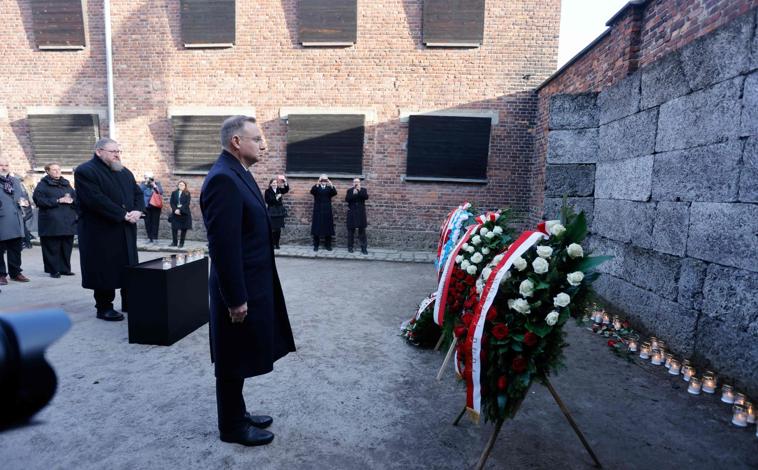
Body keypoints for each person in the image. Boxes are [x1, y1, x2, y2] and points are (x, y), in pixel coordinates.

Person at [200, 115, 296, 447]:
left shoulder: (238, 173)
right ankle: (231, 427)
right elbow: (224, 247)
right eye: (257, 139)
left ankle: (238, 414)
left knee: (238, 353)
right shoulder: (223, 180)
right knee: (231, 357)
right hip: (237, 289)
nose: (264, 144)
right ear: (236, 142)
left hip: (251, 282)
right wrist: (236, 298)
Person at [74, 138, 144, 321]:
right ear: (99, 151)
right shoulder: (86, 171)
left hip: (125, 229)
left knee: (128, 267)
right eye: (113, 151)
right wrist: (123, 214)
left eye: (118, 151)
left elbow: (137, 193)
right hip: (101, 231)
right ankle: (104, 307)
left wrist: (137, 210)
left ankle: (130, 302)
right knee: (104, 268)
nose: (117, 154)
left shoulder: (123, 170)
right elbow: (95, 200)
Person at [32, 163, 77, 278]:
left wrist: (72, 200)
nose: (57, 172)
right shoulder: (42, 185)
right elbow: (39, 200)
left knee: (66, 247)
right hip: (51, 222)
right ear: (47, 171)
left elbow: (74, 196)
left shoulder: (66, 183)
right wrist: (57, 200)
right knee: (52, 247)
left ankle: (65, 269)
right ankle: (54, 270)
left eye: (59, 169)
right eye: (54, 170)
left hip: (67, 221)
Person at [0, 157, 30, 285]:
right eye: (1, 165)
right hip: (1, 219)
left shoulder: (15, 181)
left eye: (6, 164)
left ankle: (15, 272)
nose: (4, 167)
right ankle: (1, 274)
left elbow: (22, 197)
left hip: (16, 220)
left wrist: (25, 203)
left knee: (16, 249)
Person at [309, 174, 337, 251]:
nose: (323, 182)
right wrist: (318, 182)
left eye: (325, 180)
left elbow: (334, 193)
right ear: (320, 181)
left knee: (328, 228)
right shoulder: (317, 187)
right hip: (318, 210)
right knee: (317, 228)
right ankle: (316, 245)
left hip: (327, 210)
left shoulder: (329, 188)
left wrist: (331, 184)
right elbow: (312, 191)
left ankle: (328, 245)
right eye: (322, 180)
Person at [263, 175, 289, 249]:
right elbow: (268, 201)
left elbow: (286, 190)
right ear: (270, 184)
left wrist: (285, 182)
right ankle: (272, 243)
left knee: (278, 228)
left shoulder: (279, 189)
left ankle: (277, 244)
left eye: (276, 183)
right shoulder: (267, 191)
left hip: (279, 211)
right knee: (272, 228)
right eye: (273, 183)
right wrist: (276, 198)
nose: (274, 184)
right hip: (272, 211)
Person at [345, 178, 369, 255]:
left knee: (362, 231)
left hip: (360, 213)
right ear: (353, 183)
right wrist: (353, 193)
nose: (356, 183)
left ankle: (364, 248)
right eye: (355, 182)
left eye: (357, 182)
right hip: (352, 212)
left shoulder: (363, 190)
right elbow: (347, 199)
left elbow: (365, 197)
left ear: (360, 183)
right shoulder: (350, 190)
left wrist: (358, 191)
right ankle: (350, 247)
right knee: (351, 231)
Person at [140, 172, 163, 243]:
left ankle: (155, 238)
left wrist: (154, 185)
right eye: (146, 177)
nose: (148, 179)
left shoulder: (157, 183)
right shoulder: (143, 184)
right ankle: (149, 238)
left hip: (155, 205)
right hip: (146, 206)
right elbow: (139, 192)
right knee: (147, 222)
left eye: (149, 178)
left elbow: (161, 192)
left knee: (155, 222)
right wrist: (145, 183)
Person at [169, 180, 192, 248]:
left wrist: (180, 210)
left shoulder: (187, 193)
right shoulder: (174, 193)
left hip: (184, 213)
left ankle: (181, 243)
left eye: (182, 185)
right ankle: (174, 242)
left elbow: (187, 203)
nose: (181, 186)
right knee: (174, 228)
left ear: (185, 186)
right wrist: (175, 209)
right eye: (180, 185)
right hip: (175, 213)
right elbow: (171, 202)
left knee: (183, 229)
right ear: (178, 185)